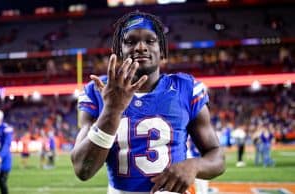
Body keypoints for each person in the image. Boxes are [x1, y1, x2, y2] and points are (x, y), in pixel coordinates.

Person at [71, 11, 225, 194]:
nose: (141, 47)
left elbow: (217, 156)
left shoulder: (186, 88)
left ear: (161, 49)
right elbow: (83, 169)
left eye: (150, 41)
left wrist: (195, 165)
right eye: (130, 41)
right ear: (120, 50)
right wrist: (111, 110)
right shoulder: (97, 90)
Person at [0, 110, 13, 194]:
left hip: (4, 159)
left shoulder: (6, 129)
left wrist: (0, 156)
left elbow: (7, 144)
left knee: (2, 182)